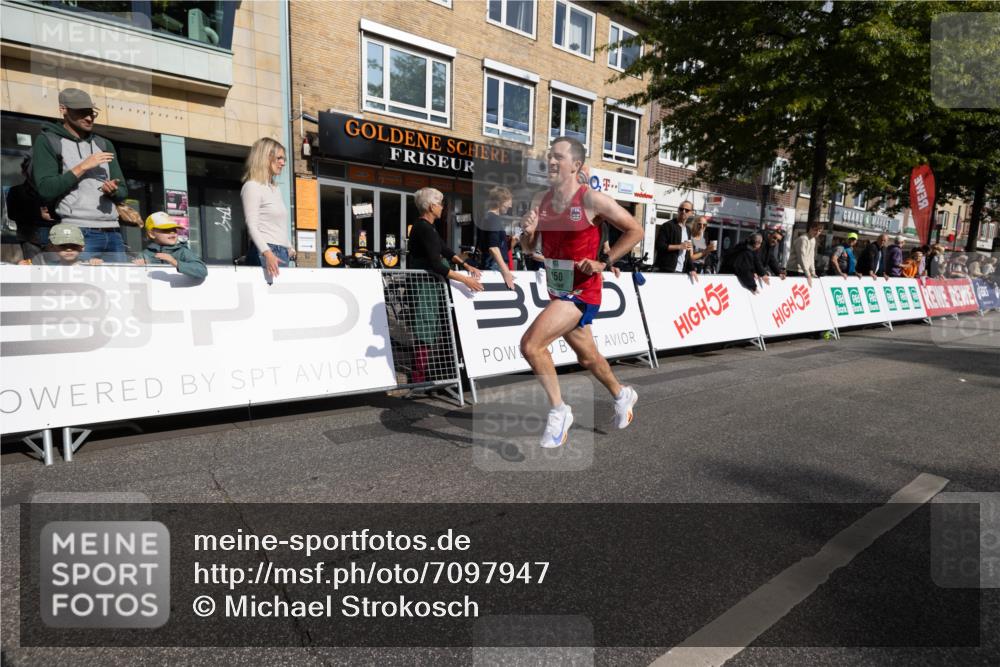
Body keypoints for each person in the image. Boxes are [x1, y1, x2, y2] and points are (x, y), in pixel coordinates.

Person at [518, 137, 644, 448]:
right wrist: (527, 233)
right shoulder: (540, 199)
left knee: (531, 346)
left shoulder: (591, 200)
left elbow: (635, 230)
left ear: (576, 165)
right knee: (588, 358)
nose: (551, 162)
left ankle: (560, 411)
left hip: (581, 291)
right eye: (549, 156)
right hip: (557, 289)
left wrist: (603, 261)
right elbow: (526, 248)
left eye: (558, 157)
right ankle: (621, 393)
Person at [30, 88, 129, 261]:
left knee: (120, 287)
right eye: (81, 112)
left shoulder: (104, 144)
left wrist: (112, 190)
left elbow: (123, 191)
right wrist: (83, 166)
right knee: (78, 287)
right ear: (63, 110)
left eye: (91, 113)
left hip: (113, 232)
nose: (89, 118)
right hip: (75, 233)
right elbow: (46, 189)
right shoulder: (48, 141)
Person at [407, 187, 483, 383]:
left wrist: (466, 264)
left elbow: (446, 250)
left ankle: (432, 371)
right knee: (425, 327)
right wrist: (466, 279)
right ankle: (419, 376)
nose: (442, 208)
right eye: (440, 204)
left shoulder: (427, 227)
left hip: (429, 284)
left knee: (435, 325)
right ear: (432, 206)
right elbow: (436, 263)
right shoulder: (424, 228)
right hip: (425, 286)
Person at [241, 137, 294, 284]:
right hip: (265, 252)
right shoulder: (252, 186)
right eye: (279, 158)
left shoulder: (275, 189)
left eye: (284, 159)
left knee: (279, 300)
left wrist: (288, 245)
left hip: (281, 251)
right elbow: (252, 225)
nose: (283, 163)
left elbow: (277, 224)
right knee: (265, 302)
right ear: (265, 157)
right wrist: (267, 253)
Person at [5, 156, 55, 261]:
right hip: (30, 238)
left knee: (53, 269)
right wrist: (39, 214)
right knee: (33, 270)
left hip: (54, 237)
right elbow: (12, 214)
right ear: (24, 172)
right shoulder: (16, 191)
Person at [136, 212, 207, 279]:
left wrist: (174, 262)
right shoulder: (144, 254)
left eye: (174, 229)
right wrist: (141, 266)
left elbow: (202, 271)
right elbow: (134, 276)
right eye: (166, 229)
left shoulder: (182, 251)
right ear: (152, 234)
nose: (172, 232)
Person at [476, 185, 516, 290]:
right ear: (500, 202)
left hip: (492, 265)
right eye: (508, 201)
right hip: (495, 267)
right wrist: (506, 271)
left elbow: (490, 245)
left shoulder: (487, 217)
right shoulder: (493, 219)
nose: (510, 205)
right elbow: (493, 248)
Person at [20, 222, 101, 266]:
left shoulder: (88, 265)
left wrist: (97, 264)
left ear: (82, 247)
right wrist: (23, 268)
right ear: (52, 248)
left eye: (74, 245)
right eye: (62, 246)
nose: (69, 249)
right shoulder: (47, 267)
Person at [654, 200, 696, 273]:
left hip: (681, 270)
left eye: (687, 210)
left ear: (691, 213)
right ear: (678, 210)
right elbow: (659, 246)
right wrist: (679, 246)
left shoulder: (688, 230)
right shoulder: (668, 226)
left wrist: (692, 269)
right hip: (666, 269)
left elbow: (687, 253)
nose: (683, 211)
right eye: (681, 209)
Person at [786, 221, 823, 285]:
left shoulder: (813, 240)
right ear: (810, 229)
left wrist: (813, 272)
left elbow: (811, 257)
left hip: (803, 271)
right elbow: (801, 258)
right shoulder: (803, 239)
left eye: (819, 231)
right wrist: (808, 274)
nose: (817, 232)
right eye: (815, 230)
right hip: (794, 270)